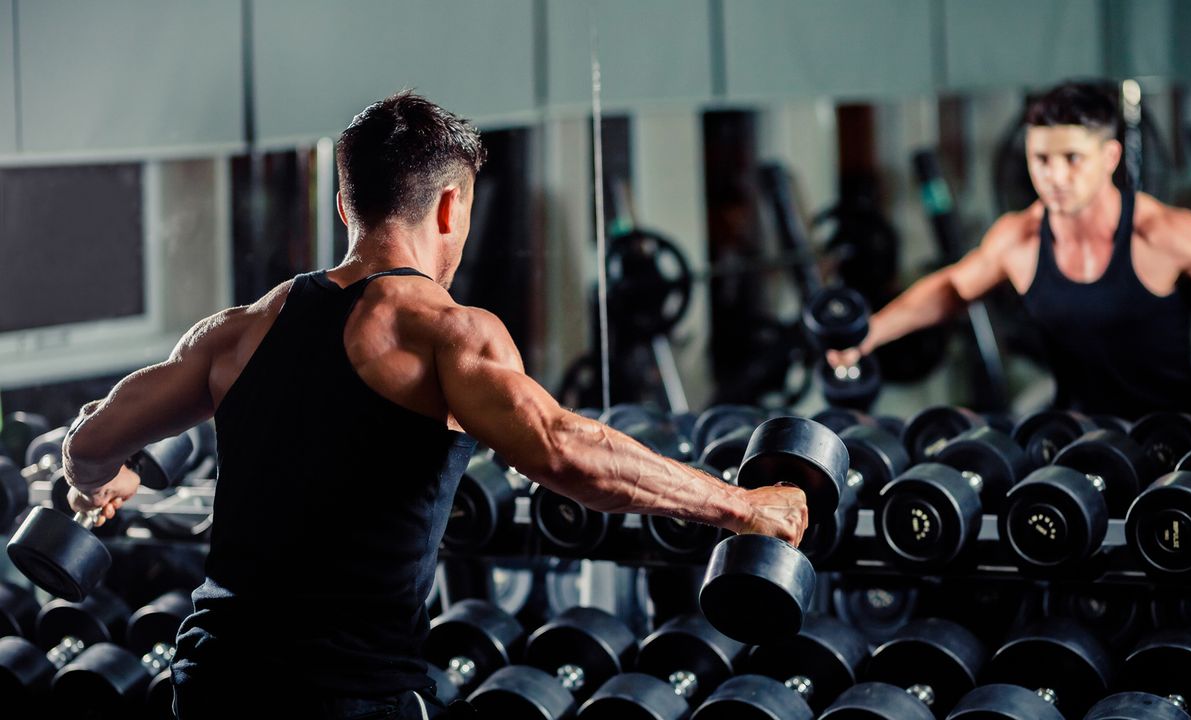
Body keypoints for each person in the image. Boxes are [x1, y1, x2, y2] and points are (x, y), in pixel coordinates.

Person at [59, 92, 808, 719]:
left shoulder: (238, 331)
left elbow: (87, 445)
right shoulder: (446, 332)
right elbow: (563, 451)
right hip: (350, 700)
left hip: (214, 685)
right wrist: (743, 507)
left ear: (346, 200)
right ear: (450, 206)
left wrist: (105, 481)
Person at [829, 81, 1191, 418]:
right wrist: (870, 334)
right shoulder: (1019, 238)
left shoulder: (1159, 232)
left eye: (1072, 159)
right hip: (1076, 437)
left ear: (1109, 158)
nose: (1055, 177)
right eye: (1041, 160)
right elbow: (953, 288)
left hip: (1179, 436)